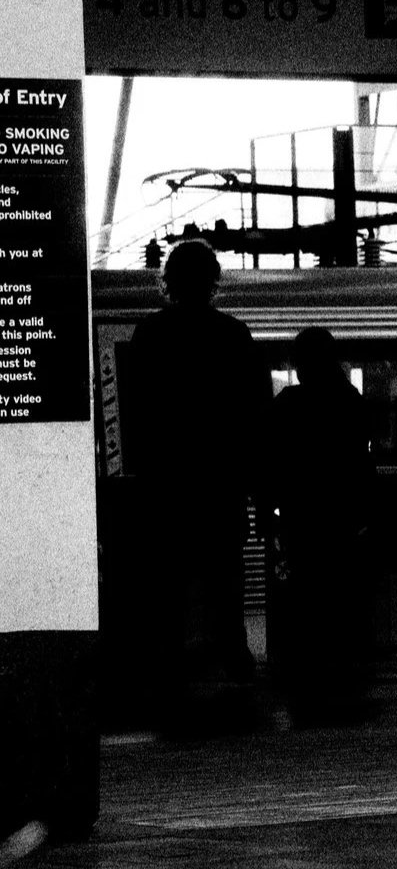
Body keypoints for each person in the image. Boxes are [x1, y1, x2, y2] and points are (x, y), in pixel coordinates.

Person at [129, 240, 270, 721]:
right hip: (221, 480)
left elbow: (139, 414)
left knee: (166, 578)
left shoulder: (149, 333)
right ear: (214, 280)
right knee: (226, 574)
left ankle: (169, 660)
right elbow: (254, 414)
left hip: (167, 481)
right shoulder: (234, 334)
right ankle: (234, 656)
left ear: (168, 279)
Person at [266, 326, 377, 725]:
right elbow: (362, 460)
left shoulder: (289, 403)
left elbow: (272, 460)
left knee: (305, 589)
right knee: (343, 589)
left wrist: (269, 506)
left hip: (301, 512)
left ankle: (308, 664)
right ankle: (345, 662)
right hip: (343, 513)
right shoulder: (350, 400)